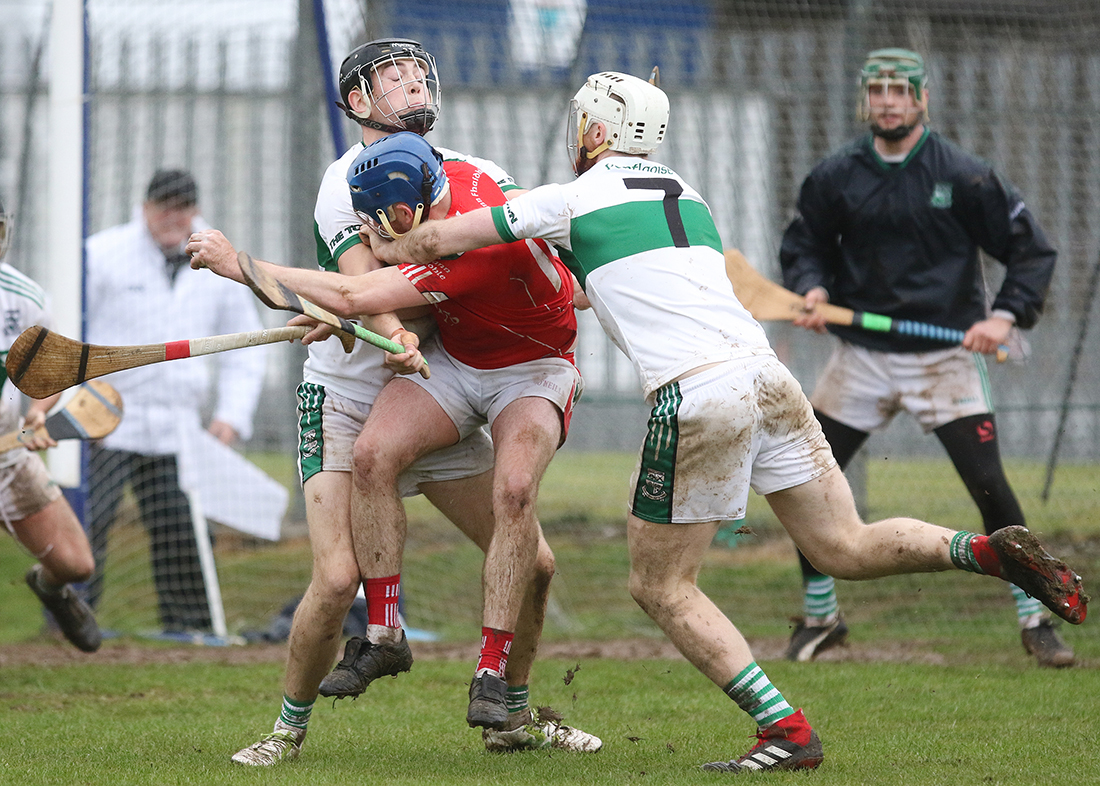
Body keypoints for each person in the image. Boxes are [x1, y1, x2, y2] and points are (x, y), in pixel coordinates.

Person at [352, 70, 1088, 772]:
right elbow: (601, 279)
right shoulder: (685, 191)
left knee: (659, 585)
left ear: (598, 130)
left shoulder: (570, 198)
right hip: (769, 377)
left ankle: (786, 730)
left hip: (698, 394)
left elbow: (438, 243)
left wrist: (376, 248)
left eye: (584, 121)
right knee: (844, 544)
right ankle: (988, 554)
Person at [189, 39, 598, 766]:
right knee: (336, 575)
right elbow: (362, 289)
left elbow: (454, 282)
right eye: (390, 75)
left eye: (418, 71)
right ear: (356, 102)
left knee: (533, 562)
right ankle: (288, 726)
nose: (413, 80)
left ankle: (513, 712)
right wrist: (378, 325)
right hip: (348, 398)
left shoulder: (473, 172)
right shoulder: (341, 181)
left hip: (433, 390)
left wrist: (398, 321)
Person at [776, 48, 1070, 667]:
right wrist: (814, 288)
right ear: (865, 99)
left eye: (899, 90)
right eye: (876, 89)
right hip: (862, 356)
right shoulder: (837, 175)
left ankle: (1035, 616)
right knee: (803, 482)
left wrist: (1003, 316)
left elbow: (1032, 251)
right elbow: (804, 244)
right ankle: (822, 616)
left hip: (944, 356)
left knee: (989, 486)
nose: (887, 100)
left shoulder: (964, 175)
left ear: (922, 99)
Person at [83, 169, 266, 635]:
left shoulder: (220, 263)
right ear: (145, 208)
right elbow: (71, 334)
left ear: (195, 210)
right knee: (89, 522)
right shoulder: (100, 256)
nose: (173, 216)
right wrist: (73, 405)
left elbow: (245, 347)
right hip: (105, 421)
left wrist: (231, 416)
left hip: (177, 427)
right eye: (164, 206)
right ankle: (71, 622)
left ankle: (188, 629)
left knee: (182, 532)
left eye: (182, 207)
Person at [0, 197, 101, 653]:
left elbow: (48, 374)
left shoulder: (23, 300)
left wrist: (39, 412)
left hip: (7, 455)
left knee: (77, 565)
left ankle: (49, 587)